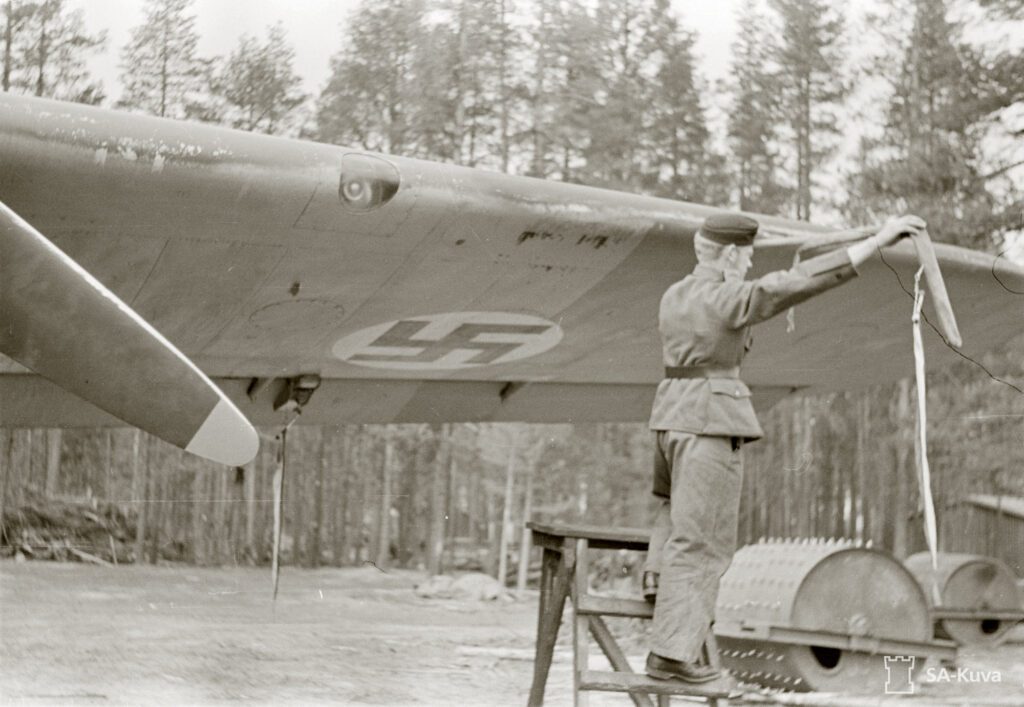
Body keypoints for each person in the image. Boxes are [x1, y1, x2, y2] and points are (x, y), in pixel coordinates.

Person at [643, 212, 926, 683]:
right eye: (747, 254)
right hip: (709, 423)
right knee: (705, 542)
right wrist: (875, 242)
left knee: (675, 517)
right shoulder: (727, 298)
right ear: (731, 254)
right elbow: (795, 283)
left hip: (671, 419)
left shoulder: (676, 295)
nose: (751, 261)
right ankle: (672, 654)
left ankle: (658, 584)